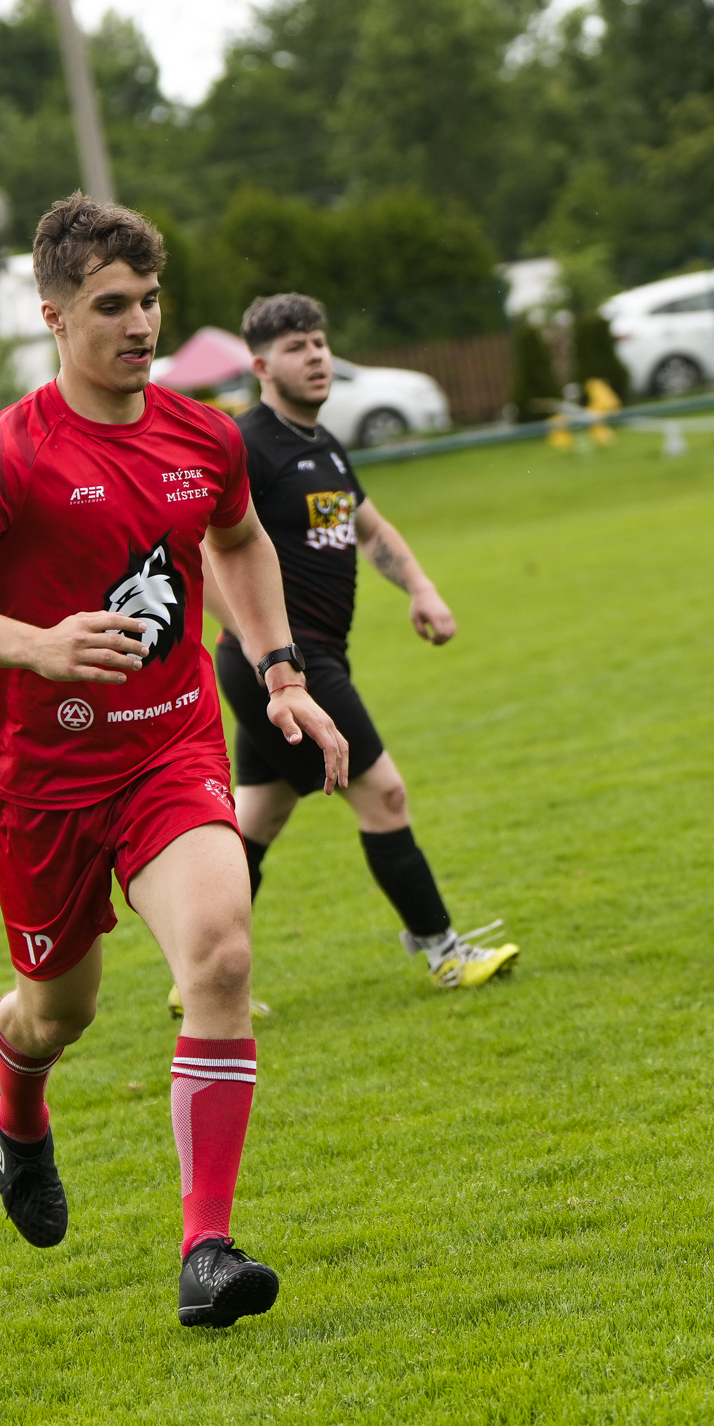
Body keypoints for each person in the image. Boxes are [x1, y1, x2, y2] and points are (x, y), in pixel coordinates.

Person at [0, 192, 349, 1330]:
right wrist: (36, 646)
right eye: (112, 306)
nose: (140, 325)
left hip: (172, 749)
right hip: (43, 785)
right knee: (56, 1013)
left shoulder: (204, 437)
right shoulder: (6, 454)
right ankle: (19, 1106)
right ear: (54, 316)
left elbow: (239, 539)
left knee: (221, 956)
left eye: (150, 301)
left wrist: (282, 672)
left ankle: (206, 1249)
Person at [211, 292, 520, 991]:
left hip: (307, 657)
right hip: (289, 664)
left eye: (320, 343)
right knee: (386, 797)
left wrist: (422, 588)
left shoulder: (322, 444)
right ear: (261, 367)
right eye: (296, 347)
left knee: (258, 817)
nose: (316, 356)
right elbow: (205, 549)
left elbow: (369, 528)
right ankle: (443, 950)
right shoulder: (248, 445)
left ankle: (199, 972)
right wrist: (266, 653)